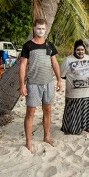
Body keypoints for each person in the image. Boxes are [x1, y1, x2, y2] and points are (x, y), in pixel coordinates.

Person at [19, 18, 62, 152]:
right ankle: (28, 141)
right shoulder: (28, 46)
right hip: (33, 84)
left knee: (47, 110)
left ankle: (46, 137)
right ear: (34, 28)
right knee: (30, 113)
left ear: (46, 29)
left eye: (43, 29)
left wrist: (59, 80)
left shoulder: (49, 45)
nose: (41, 31)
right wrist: (22, 84)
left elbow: (54, 63)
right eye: (38, 28)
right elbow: (23, 65)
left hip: (48, 83)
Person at [59, 39, 89, 135]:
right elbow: (62, 75)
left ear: (85, 50)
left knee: (87, 110)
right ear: (74, 50)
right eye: (78, 50)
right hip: (73, 94)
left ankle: (88, 127)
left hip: (87, 93)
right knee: (73, 113)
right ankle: (72, 129)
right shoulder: (68, 60)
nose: (80, 52)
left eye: (82, 50)